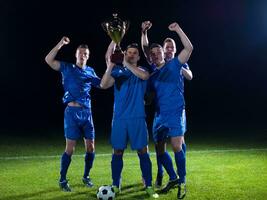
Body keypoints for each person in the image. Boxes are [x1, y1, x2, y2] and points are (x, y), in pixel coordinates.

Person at [141, 21, 193, 199]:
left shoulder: (175, 65)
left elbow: (189, 48)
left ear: (165, 53)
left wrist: (178, 29)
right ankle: (172, 177)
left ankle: (183, 182)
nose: (155, 55)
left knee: (177, 146)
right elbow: (145, 47)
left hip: (176, 112)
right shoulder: (152, 74)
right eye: (152, 54)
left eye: (158, 52)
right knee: (160, 150)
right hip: (159, 115)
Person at [100, 41, 159, 199]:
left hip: (137, 118)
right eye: (128, 52)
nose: (131, 54)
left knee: (143, 152)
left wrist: (125, 62)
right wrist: (111, 65)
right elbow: (103, 84)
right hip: (119, 118)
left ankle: (148, 185)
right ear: (124, 53)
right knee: (117, 151)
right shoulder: (118, 72)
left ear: (138, 56)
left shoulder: (142, 70)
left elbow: (145, 76)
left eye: (134, 53)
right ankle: (115, 184)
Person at [45, 36, 101, 192]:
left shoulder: (91, 71)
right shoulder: (67, 67)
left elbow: (102, 84)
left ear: (88, 56)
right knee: (70, 149)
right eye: (80, 52)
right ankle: (62, 179)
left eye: (85, 53)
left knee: (91, 147)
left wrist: (111, 67)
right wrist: (60, 44)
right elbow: (49, 60)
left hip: (87, 113)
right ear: (76, 54)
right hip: (71, 113)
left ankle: (86, 176)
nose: (83, 55)